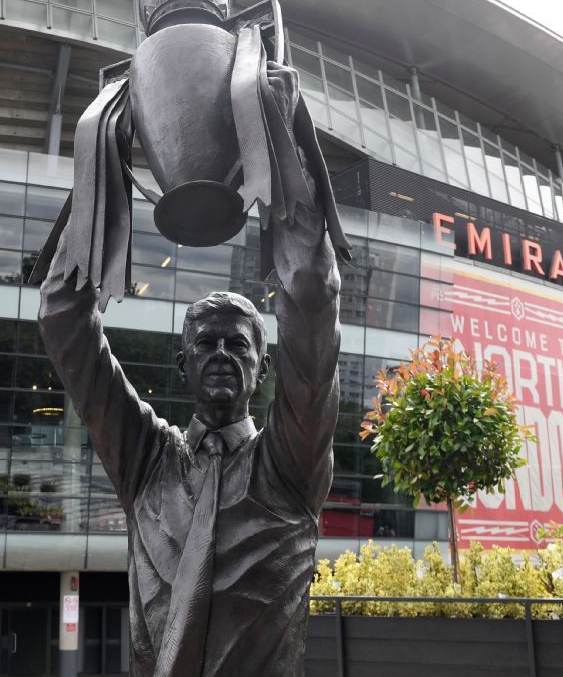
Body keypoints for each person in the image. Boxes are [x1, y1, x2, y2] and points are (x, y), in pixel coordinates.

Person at [38, 197, 340, 676]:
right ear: (184, 366)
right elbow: (63, 317)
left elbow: (314, 305)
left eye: (238, 344)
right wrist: (98, 181)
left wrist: (278, 168)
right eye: (205, 343)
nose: (221, 353)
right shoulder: (146, 459)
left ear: (262, 369)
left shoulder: (288, 466)